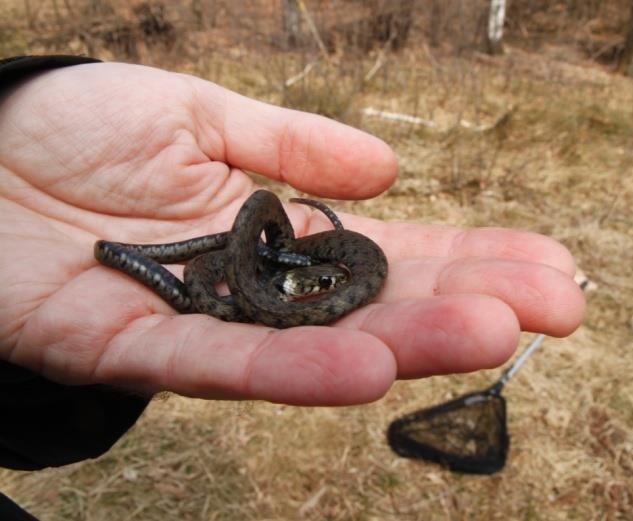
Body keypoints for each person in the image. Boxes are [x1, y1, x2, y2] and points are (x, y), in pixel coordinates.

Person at [0, 56, 585, 519]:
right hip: (250, 262)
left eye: (330, 282)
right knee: (224, 248)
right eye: (322, 283)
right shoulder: (250, 276)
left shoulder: (289, 274)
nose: (329, 287)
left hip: (257, 262)